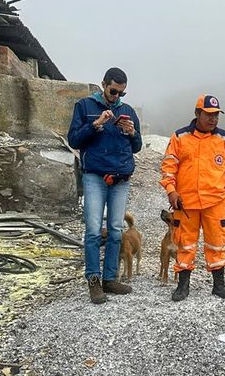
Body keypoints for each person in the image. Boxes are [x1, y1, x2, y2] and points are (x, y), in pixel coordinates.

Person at [67, 67, 142, 304]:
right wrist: (96, 124)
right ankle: (93, 281)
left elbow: (137, 146)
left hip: (120, 178)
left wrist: (131, 133)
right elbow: (74, 140)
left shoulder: (127, 111)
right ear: (103, 85)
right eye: (113, 91)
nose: (117, 96)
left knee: (116, 230)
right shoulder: (85, 106)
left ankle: (110, 279)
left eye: (122, 93)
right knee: (92, 231)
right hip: (95, 176)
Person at [160, 94, 225, 301]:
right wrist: (171, 190)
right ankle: (183, 286)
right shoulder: (179, 137)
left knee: (217, 243)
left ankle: (219, 286)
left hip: (216, 202)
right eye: (209, 115)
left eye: (216, 115)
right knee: (184, 243)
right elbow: (169, 167)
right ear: (197, 113)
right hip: (185, 203)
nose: (213, 119)